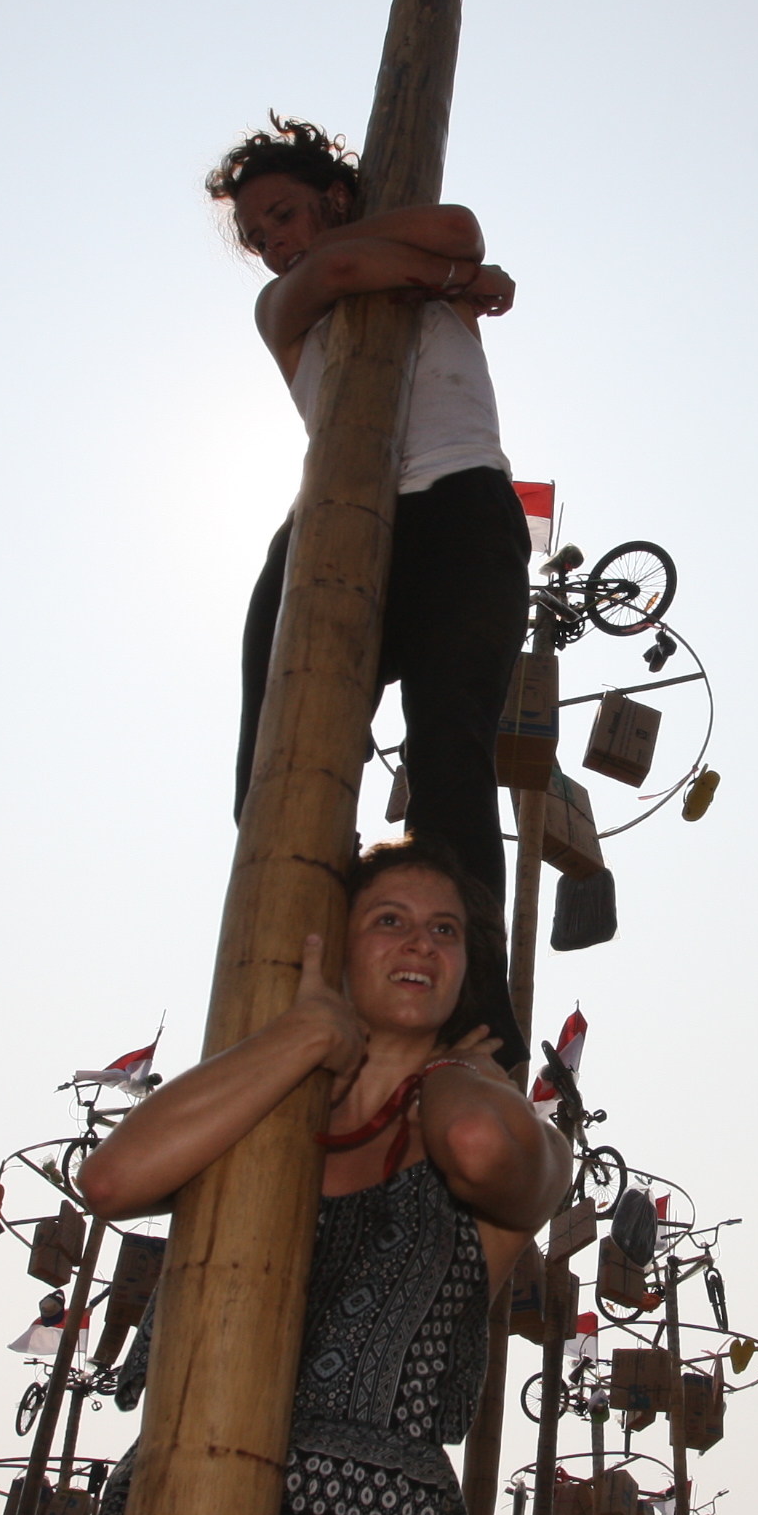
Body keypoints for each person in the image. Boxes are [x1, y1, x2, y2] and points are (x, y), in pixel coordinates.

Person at [3, 839, 571, 1515]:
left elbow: (479, 1148)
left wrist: (454, 1067)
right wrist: (306, 1037)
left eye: (445, 932)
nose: (419, 945)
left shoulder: (484, 1112)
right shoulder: (263, 1104)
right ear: (335, 946)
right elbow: (110, 1181)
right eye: (389, 923)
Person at [209, 115, 530, 1066]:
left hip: (462, 509)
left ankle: (473, 1015)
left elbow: (462, 227)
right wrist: (444, 278)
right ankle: (307, 964)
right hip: (332, 528)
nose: (274, 244)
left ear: (335, 196)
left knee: (449, 753)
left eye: (282, 215)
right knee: (271, 762)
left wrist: (451, 272)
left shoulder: (419, 263)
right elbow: (349, 274)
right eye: (259, 236)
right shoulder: (283, 306)